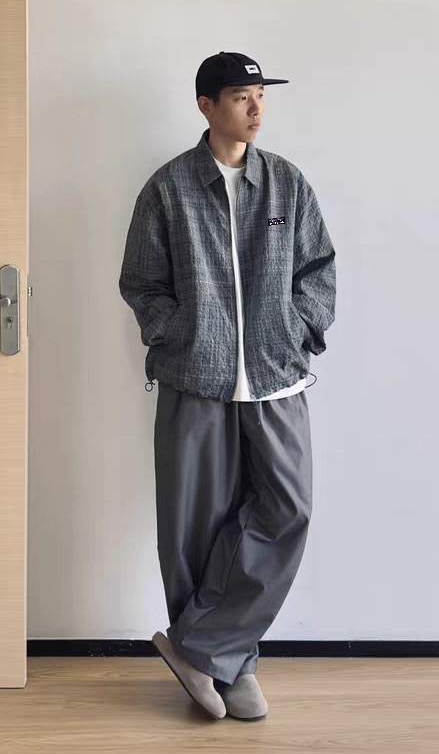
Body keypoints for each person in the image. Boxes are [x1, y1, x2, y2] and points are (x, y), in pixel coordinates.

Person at [119, 51, 336, 721]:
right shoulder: (168, 189)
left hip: (275, 377)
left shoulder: (286, 185)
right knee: (194, 530)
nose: (256, 108)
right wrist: (181, 334)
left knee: (287, 509)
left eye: (260, 95)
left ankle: (203, 650)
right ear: (206, 106)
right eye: (241, 96)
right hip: (195, 378)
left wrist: (297, 330)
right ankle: (232, 668)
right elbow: (142, 283)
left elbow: (318, 271)